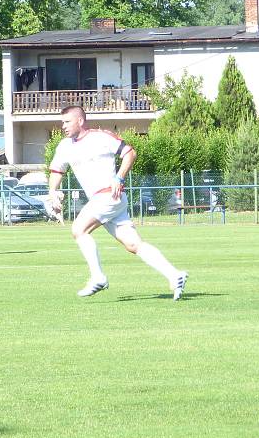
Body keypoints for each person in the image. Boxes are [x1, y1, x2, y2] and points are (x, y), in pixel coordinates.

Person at [46, 106, 187, 299]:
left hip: (108, 196)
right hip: (105, 200)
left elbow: (130, 153)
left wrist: (119, 178)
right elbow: (56, 171)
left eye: (67, 121)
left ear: (80, 121)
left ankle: (98, 277)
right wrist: (53, 192)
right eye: (62, 122)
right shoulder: (64, 146)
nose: (63, 126)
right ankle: (174, 274)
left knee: (79, 230)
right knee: (133, 244)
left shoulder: (101, 137)